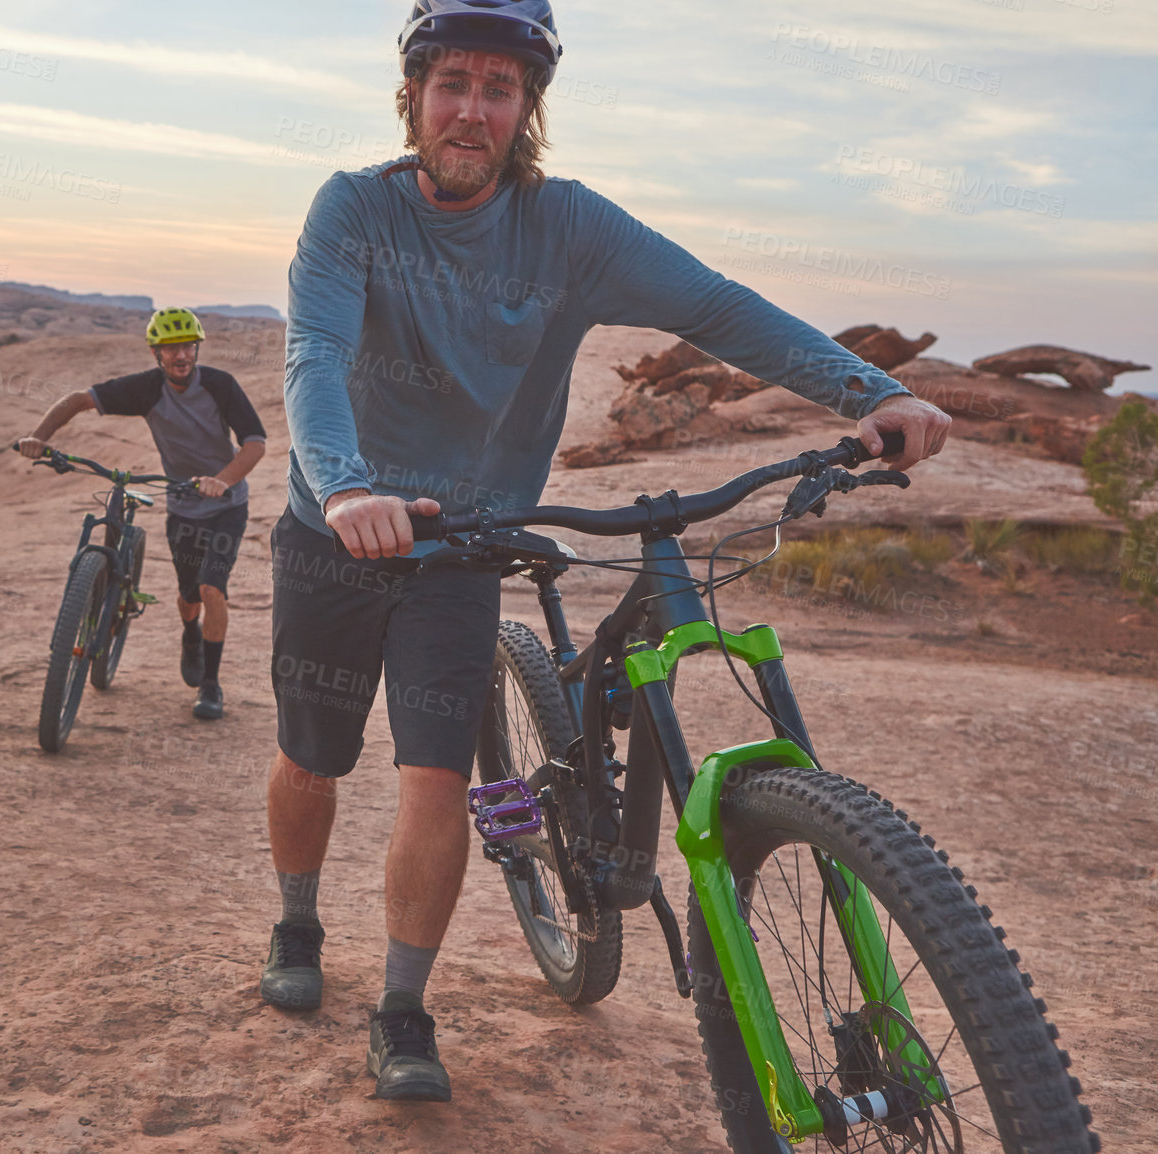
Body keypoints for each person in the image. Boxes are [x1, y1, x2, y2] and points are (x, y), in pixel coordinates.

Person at [260, 0, 952, 1103]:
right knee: (313, 759)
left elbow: (717, 307)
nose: (472, 110)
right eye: (453, 84)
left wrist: (870, 389)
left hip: (463, 544)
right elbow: (315, 349)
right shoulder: (353, 209)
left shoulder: (569, 228)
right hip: (336, 532)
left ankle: (401, 1004)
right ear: (413, 93)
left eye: (499, 88)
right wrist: (346, 486)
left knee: (433, 775)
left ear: (528, 105)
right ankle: (296, 919)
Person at [17, 308, 266, 719]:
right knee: (188, 596)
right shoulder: (148, 389)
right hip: (183, 506)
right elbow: (79, 399)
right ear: (155, 353)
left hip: (225, 507)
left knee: (210, 588)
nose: (181, 356)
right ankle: (190, 632)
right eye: (171, 349)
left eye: (187, 346)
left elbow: (255, 442)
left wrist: (222, 480)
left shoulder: (220, 385)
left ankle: (210, 684)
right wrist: (38, 438)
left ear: (197, 348)